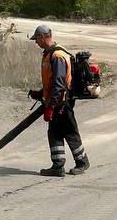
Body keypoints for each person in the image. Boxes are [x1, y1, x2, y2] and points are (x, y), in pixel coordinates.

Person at [27, 25, 90, 177]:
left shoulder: (58, 56)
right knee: (54, 133)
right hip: (55, 101)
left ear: (43, 37)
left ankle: (82, 162)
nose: (36, 42)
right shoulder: (50, 54)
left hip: (62, 103)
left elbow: (59, 83)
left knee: (70, 132)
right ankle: (58, 166)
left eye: (37, 39)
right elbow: (51, 81)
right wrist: (41, 93)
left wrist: (51, 106)